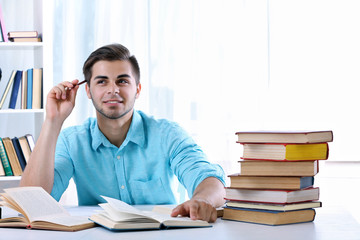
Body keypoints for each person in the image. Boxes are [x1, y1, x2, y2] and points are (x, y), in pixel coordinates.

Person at [20, 43, 226, 222]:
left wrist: (203, 201)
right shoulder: (72, 141)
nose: (113, 90)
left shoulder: (168, 134)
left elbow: (209, 179)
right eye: (102, 81)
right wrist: (53, 121)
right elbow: (32, 201)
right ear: (88, 91)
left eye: (122, 81)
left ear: (137, 89)